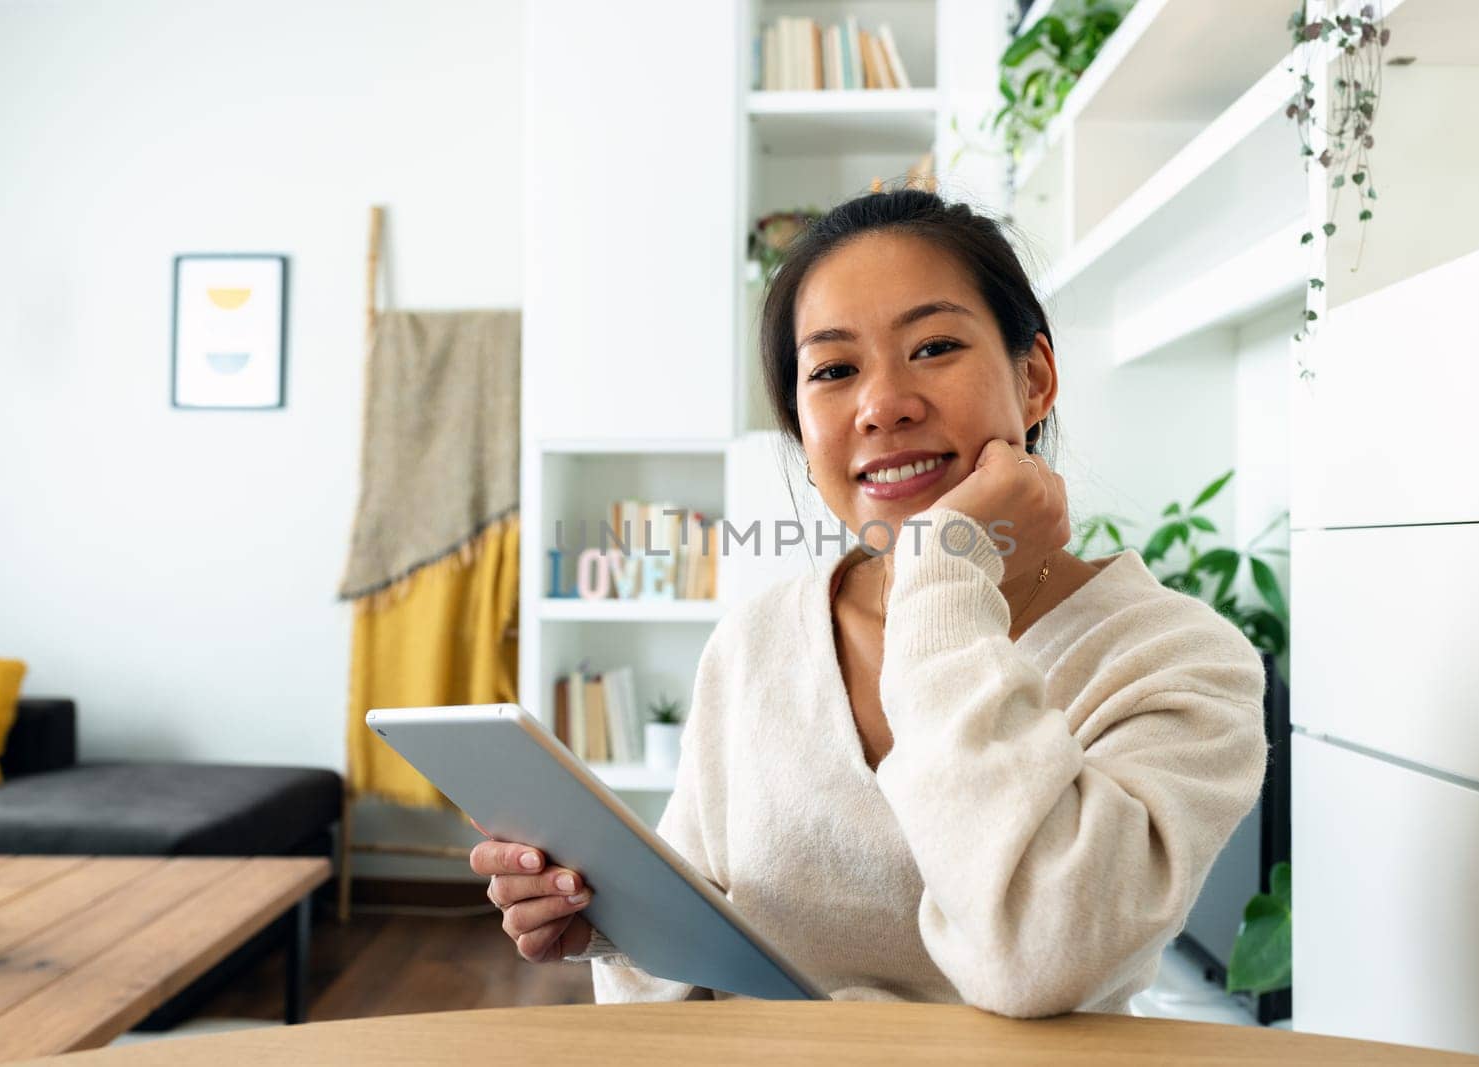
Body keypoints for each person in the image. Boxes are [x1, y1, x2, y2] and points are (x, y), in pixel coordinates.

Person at [471, 187, 1268, 1017]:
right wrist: (602, 918)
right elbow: (702, 925)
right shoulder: (756, 642)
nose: (883, 405)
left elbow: (1039, 955)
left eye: (932, 346)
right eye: (834, 370)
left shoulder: (1177, 660)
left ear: (1034, 379)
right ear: (801, 430)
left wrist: (943, 574)